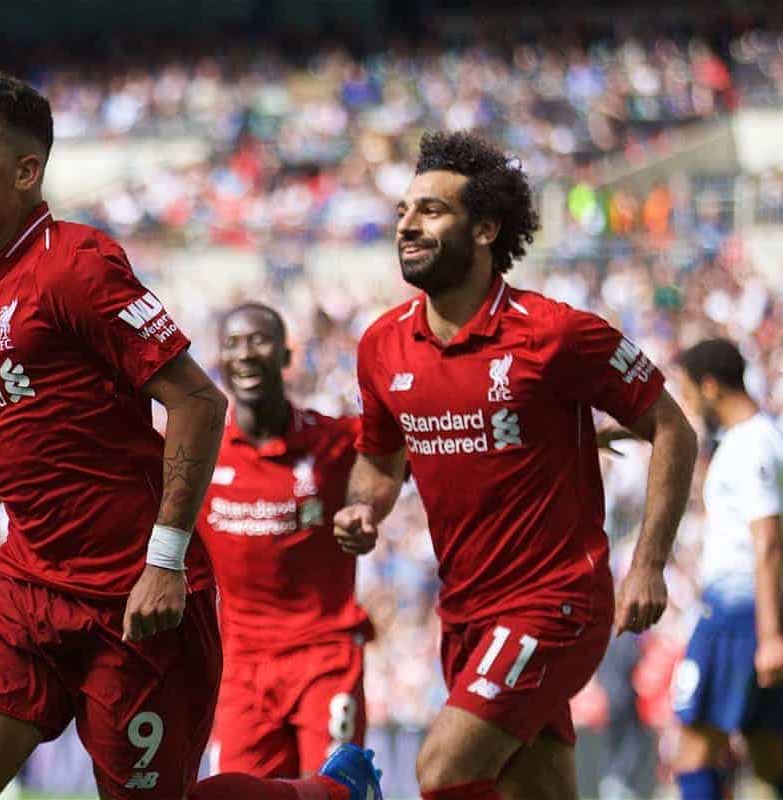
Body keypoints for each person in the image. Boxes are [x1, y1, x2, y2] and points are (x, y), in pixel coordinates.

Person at [0, 72, 380, 800]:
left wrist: (164, 561)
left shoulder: (76, 264)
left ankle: (334, 795)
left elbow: (197, 401)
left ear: (27, 170)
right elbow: (9, 445)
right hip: (28, 588)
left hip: (132, 596)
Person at [334, 130, 698, 800]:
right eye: (403, 212)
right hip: (466, 610)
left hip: (556, 600)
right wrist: (365, 506)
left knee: (443, 769)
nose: (408, 225)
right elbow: (379, 464)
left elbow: (672, 428)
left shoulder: (556, 333)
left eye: (432, 211)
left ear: (486, 229)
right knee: (538, 789)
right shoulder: (382, 345)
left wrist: (647, 562)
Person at [202, 303, 374, 777]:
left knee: (332, 790)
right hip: (240, 669)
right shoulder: (197, 454)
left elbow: (406, 445)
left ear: (285, 356)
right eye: (233, 344)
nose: (246, 354)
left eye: (259, 341)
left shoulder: (333, 442)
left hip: (324, 655)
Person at [670, 338, 783, 800]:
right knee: (768, 751)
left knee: (693, 755)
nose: (688, 402)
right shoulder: (746, 440)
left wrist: (771, 635)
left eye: (688, 391)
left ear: (711, 387)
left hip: (739, 619)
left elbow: (769, 542)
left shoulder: (754, 444)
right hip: (747, 616)